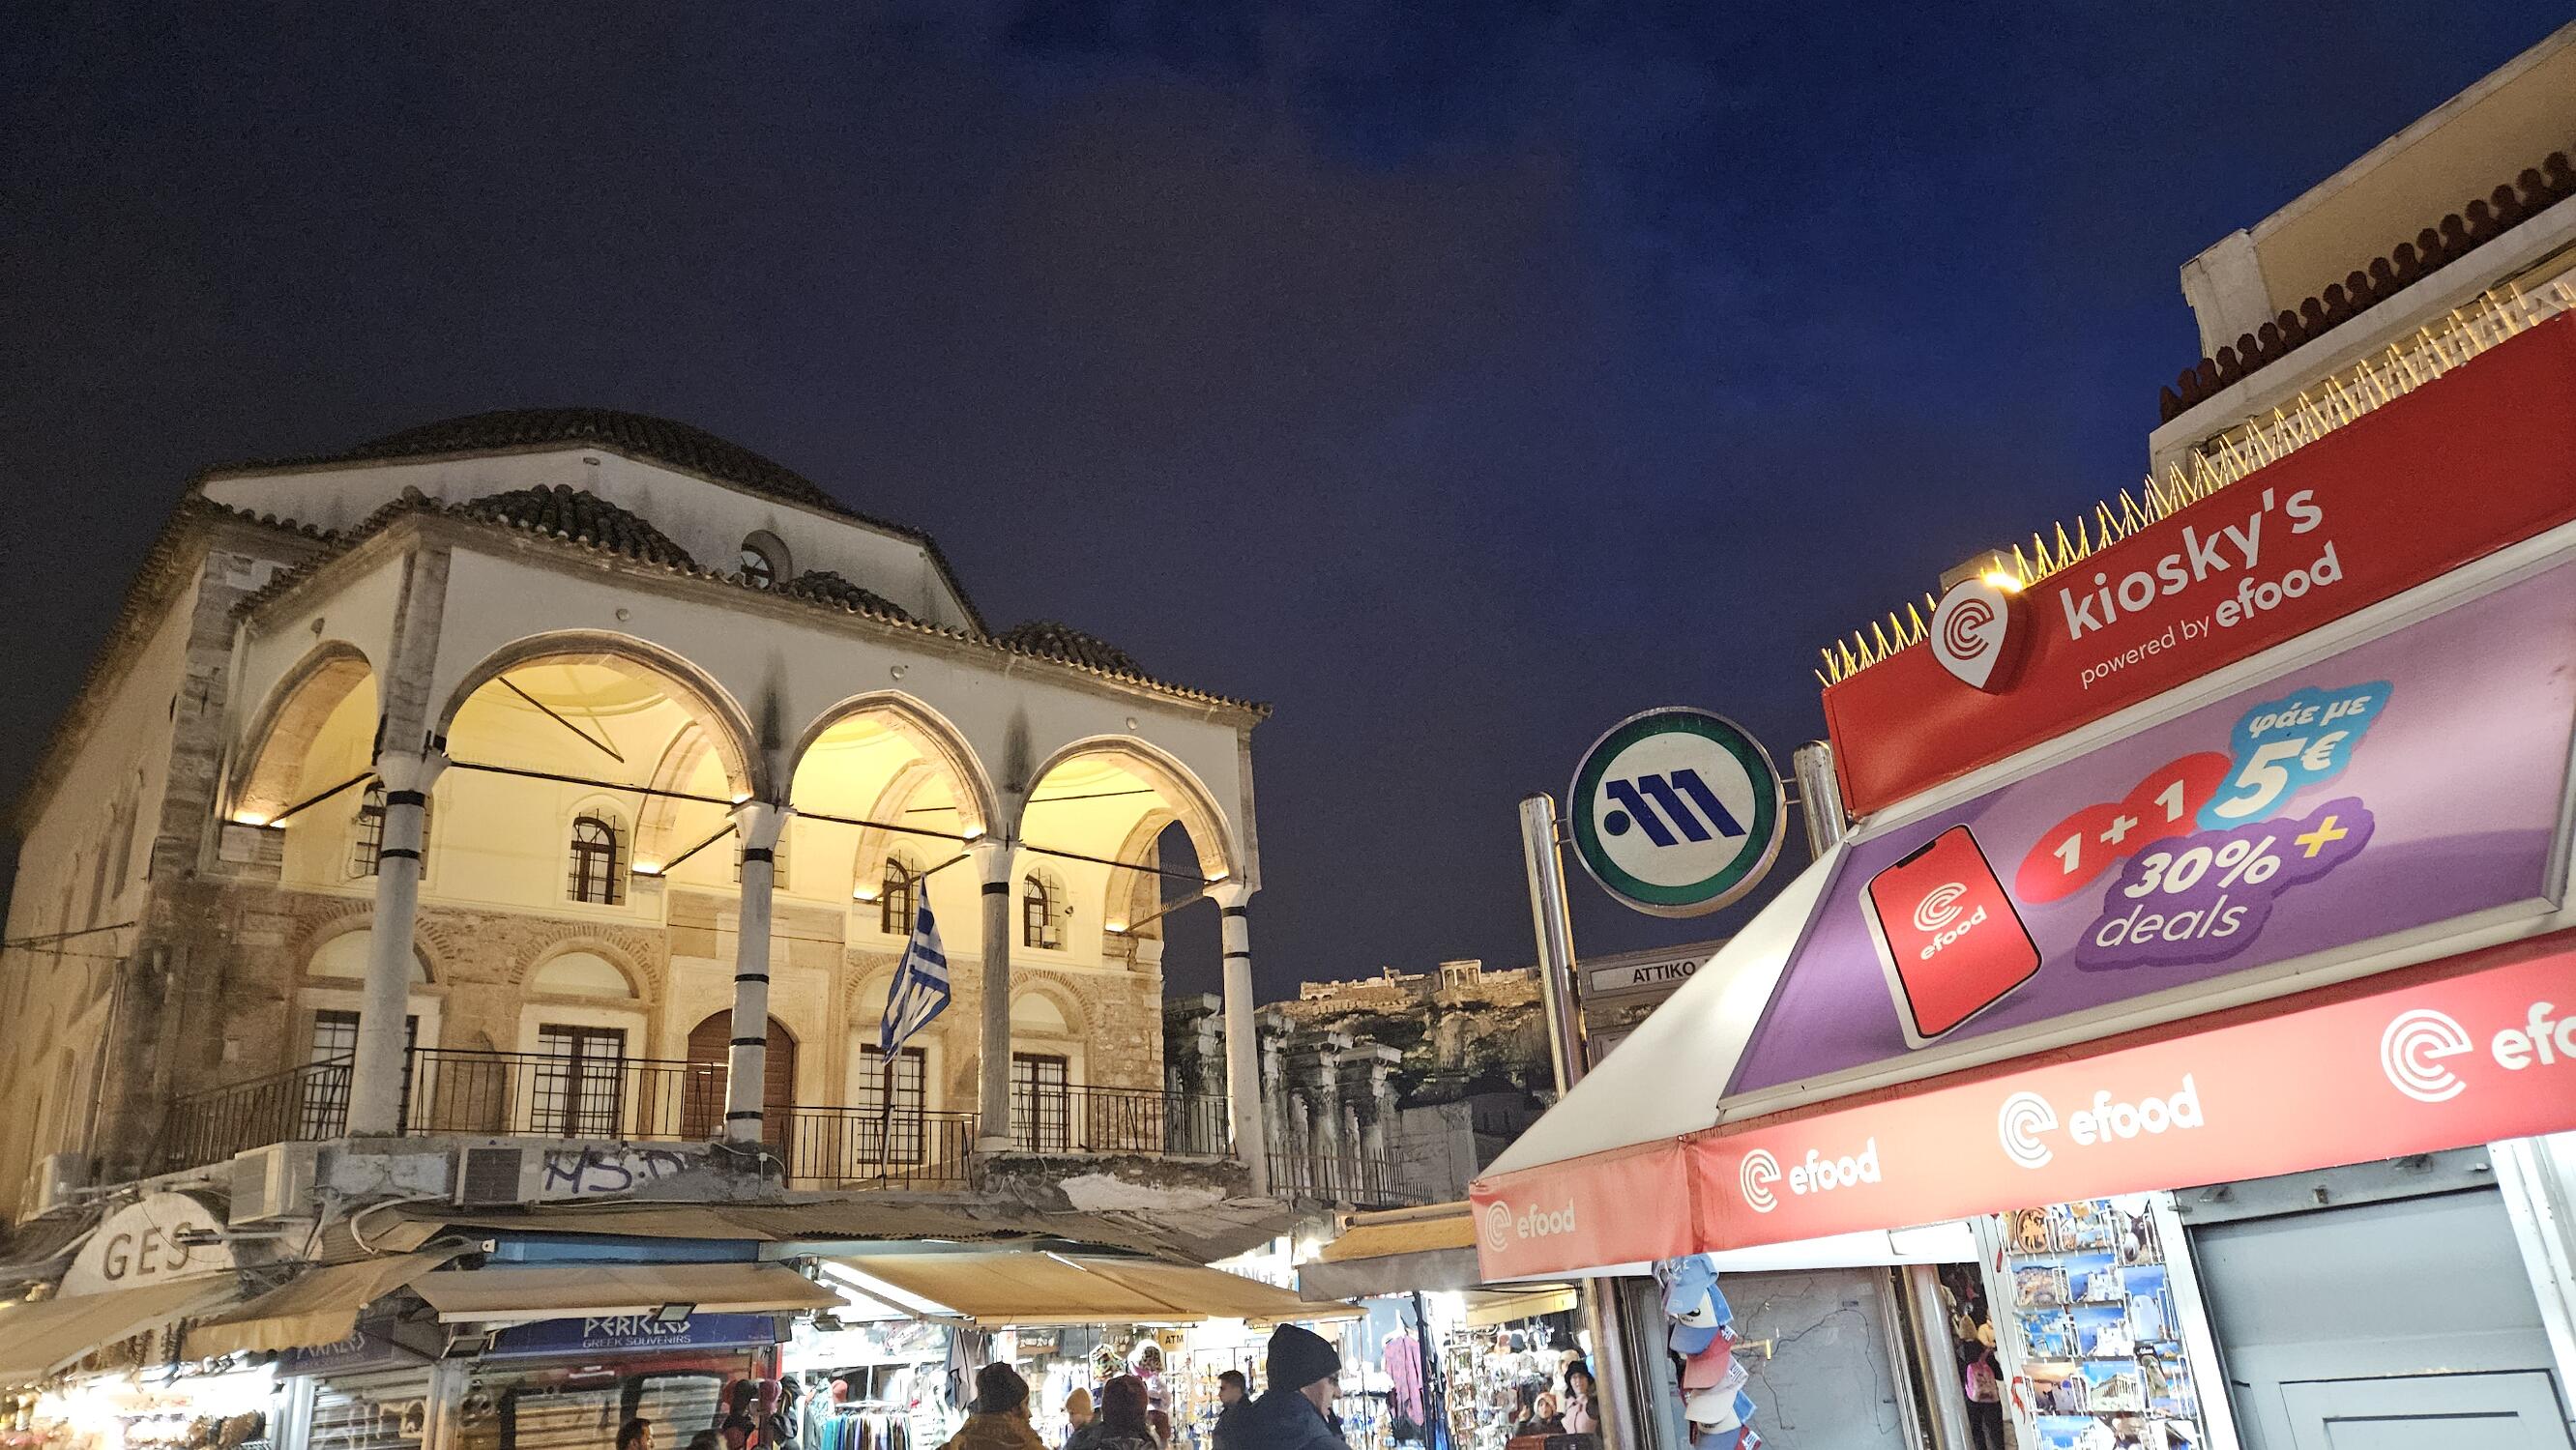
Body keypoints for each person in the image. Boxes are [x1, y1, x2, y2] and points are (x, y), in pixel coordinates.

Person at [1235, 1325, 1346, 1450]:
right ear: (1304, 1383)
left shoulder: (1235, 1433)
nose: (1339, 1393)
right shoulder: (1322, 1444)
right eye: (1333, 1380)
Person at [943, 1365, 1047, 1450]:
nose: (1029, 1414)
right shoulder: (1029, 1446)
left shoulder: (958, 1444)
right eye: (1025, 1404)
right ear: (1014, 1408)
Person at [1211, 1371, 1251, 1450]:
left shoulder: (1241, 1417)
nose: (1219, 1394)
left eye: (1223, 1389)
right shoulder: (1230, 1414)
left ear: (1236, 1389)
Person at [1558, 1363, 1596, 1436]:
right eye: (1574, 1377)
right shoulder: (1567, 1404)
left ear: (1587, 1380)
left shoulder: (1593, 1403)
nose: (1578, 1380)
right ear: (1570, 1382)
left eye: (1581, 1376)